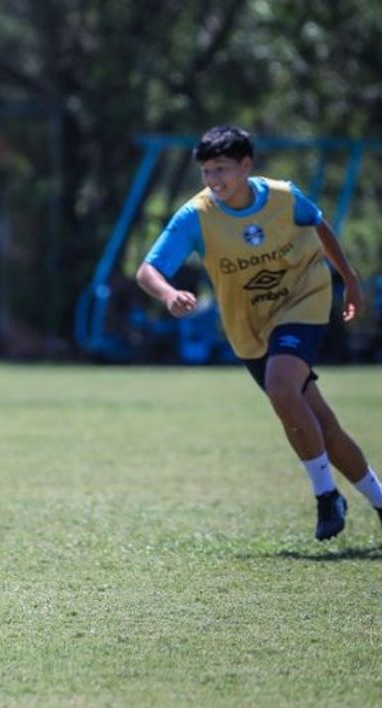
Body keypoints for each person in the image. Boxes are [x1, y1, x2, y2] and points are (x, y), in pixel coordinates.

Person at [137, 125, 382, 540]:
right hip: (249, 326)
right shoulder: (197, 216)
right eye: (207, 172)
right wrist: (168, 294)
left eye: (222, 170)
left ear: (247, 165)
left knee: (282, 385)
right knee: (322, 424)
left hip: (304, 299)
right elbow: (148, 270)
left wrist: (350, 280)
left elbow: (318, 224)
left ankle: (326, 497)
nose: (214, 181)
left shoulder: (284, 197)